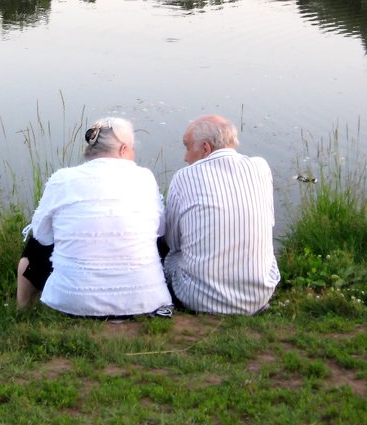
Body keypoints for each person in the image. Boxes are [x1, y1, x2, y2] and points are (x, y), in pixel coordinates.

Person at [17, 116, 172, 317]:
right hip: (145, 302)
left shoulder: (62, 179)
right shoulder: (145, 177)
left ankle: (22, 309)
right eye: (132, 149)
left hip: (70, 302)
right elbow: (160, 230)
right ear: (124, 150)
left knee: (34, 245)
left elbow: (42, 234)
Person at [162, 115, 280, 314]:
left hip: (198, 298)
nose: (185, 157)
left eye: (187, 147)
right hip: (259, 295)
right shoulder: (261, 167)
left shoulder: (184, 177)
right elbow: (269, 221)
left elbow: (172, 241)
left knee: (167, 252)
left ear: (206, 148)